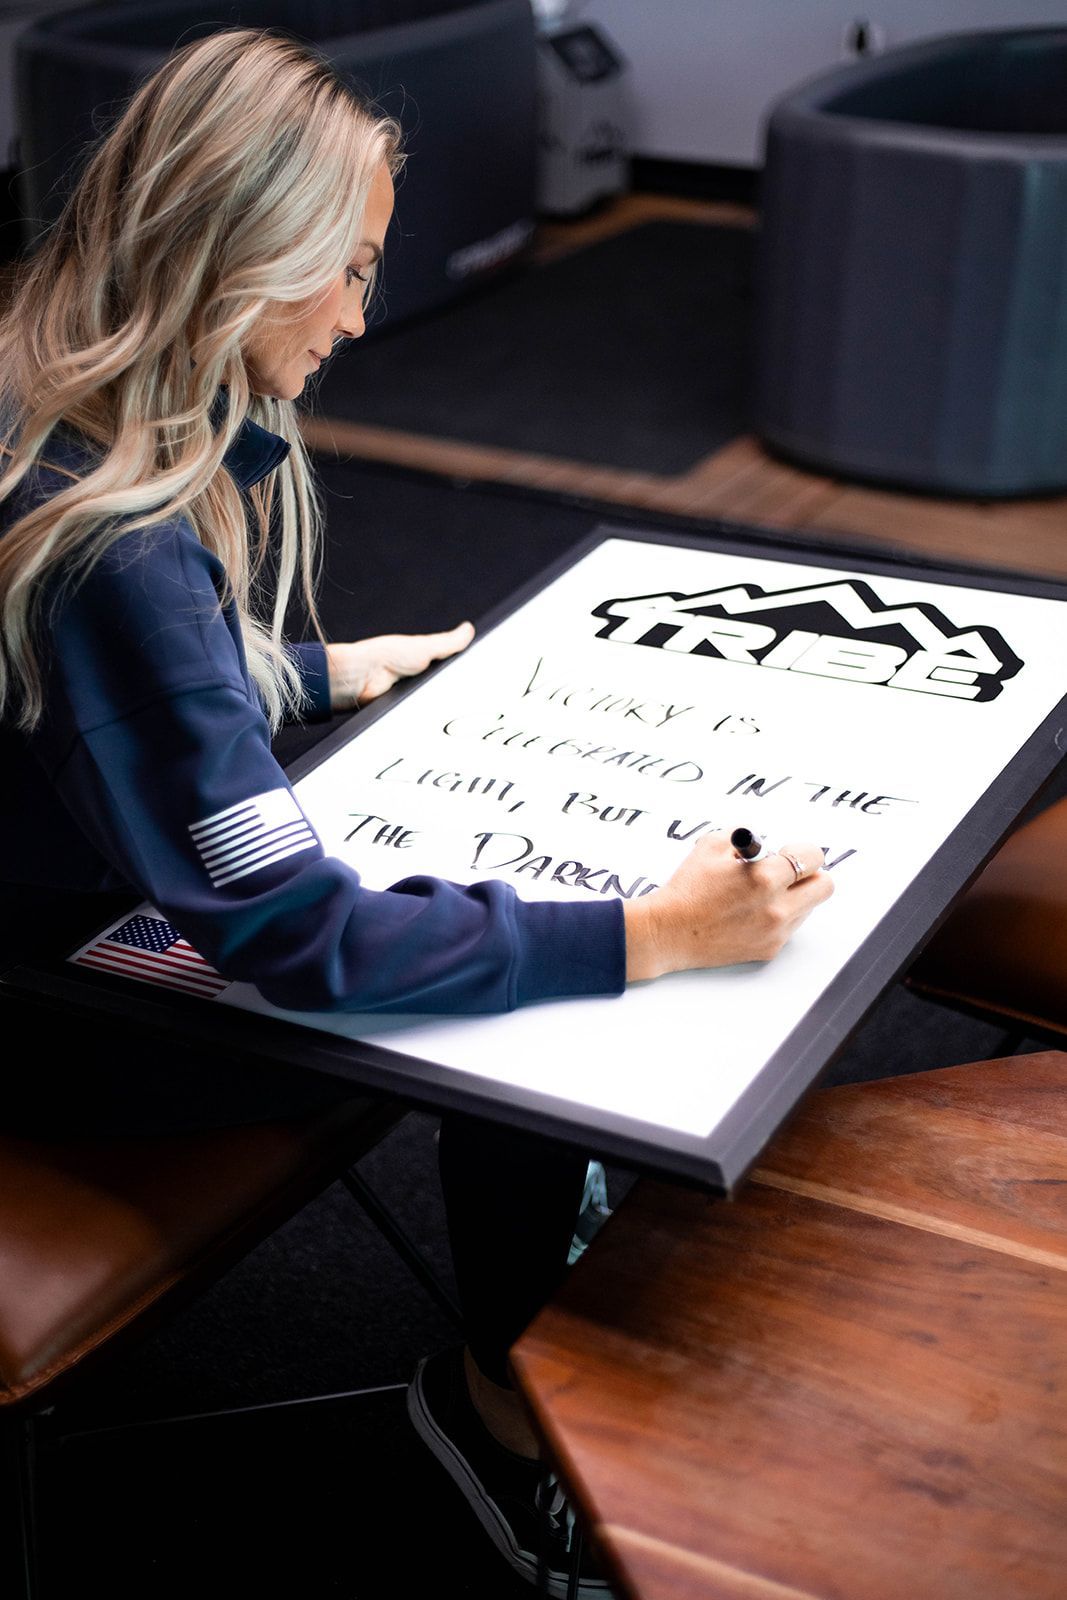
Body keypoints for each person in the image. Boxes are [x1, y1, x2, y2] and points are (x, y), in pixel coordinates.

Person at [0, 29, 833, 1596]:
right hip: (45, 1023)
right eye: (352, 271)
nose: (363, 318)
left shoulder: (41, 397)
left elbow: (69, 704)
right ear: (251, 254)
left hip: (29, 916)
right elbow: (299, 940)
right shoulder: (124, 548)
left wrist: (302, 669)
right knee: (491, 989)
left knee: (469, 916)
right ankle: (505, 1418)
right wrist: (658, 931)